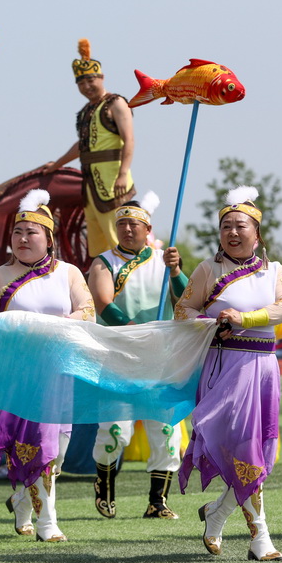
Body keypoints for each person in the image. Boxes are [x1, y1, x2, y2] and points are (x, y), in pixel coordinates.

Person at [174, 186, 282, 562]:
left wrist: (245, 318)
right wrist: (212, 322)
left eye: (241, 225)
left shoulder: (274, 270)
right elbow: (183, 311)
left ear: (257, 233)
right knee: (246, 452)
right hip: (226, 368)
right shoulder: (209, 269)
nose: (233, 232)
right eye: (226, 225)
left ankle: (217, 512)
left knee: (262, 455)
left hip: (264, 369)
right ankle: (261, 538)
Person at [0, 189, 95, 542]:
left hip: (61, 370)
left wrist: (58, 325)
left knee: (59, 448)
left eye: (32, 232)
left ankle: (22, 501)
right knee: (37, 445)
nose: (23, 238)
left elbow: (88, 311)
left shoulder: (68, 273)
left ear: (48, 238)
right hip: (20, 376)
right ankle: (48, 522)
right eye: (17, 232)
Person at [88, 192, 187, 520]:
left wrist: (175, 271)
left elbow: (185, 298)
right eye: (122, 224)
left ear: (148, 229)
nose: (128, 229)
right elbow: (103, 302)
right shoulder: (104, 262)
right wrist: (134, 331)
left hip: (160, 356)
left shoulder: (164, 259)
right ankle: (105, 486)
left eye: (134, 224)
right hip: (119, 354)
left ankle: (157, 501)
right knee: (117, 430)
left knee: (166, 429)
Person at [41, 38, 135, 258]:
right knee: (99, 247)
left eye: (91, 80)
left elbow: (129, 139)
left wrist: (123, 173)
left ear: (101, 77)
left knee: (120, 239)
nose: (86, 86)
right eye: (81, 83)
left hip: (113, 182)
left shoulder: (116, 103)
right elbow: (83, 146)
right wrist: (58, 164)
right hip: (91, 185)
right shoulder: (85, 111)